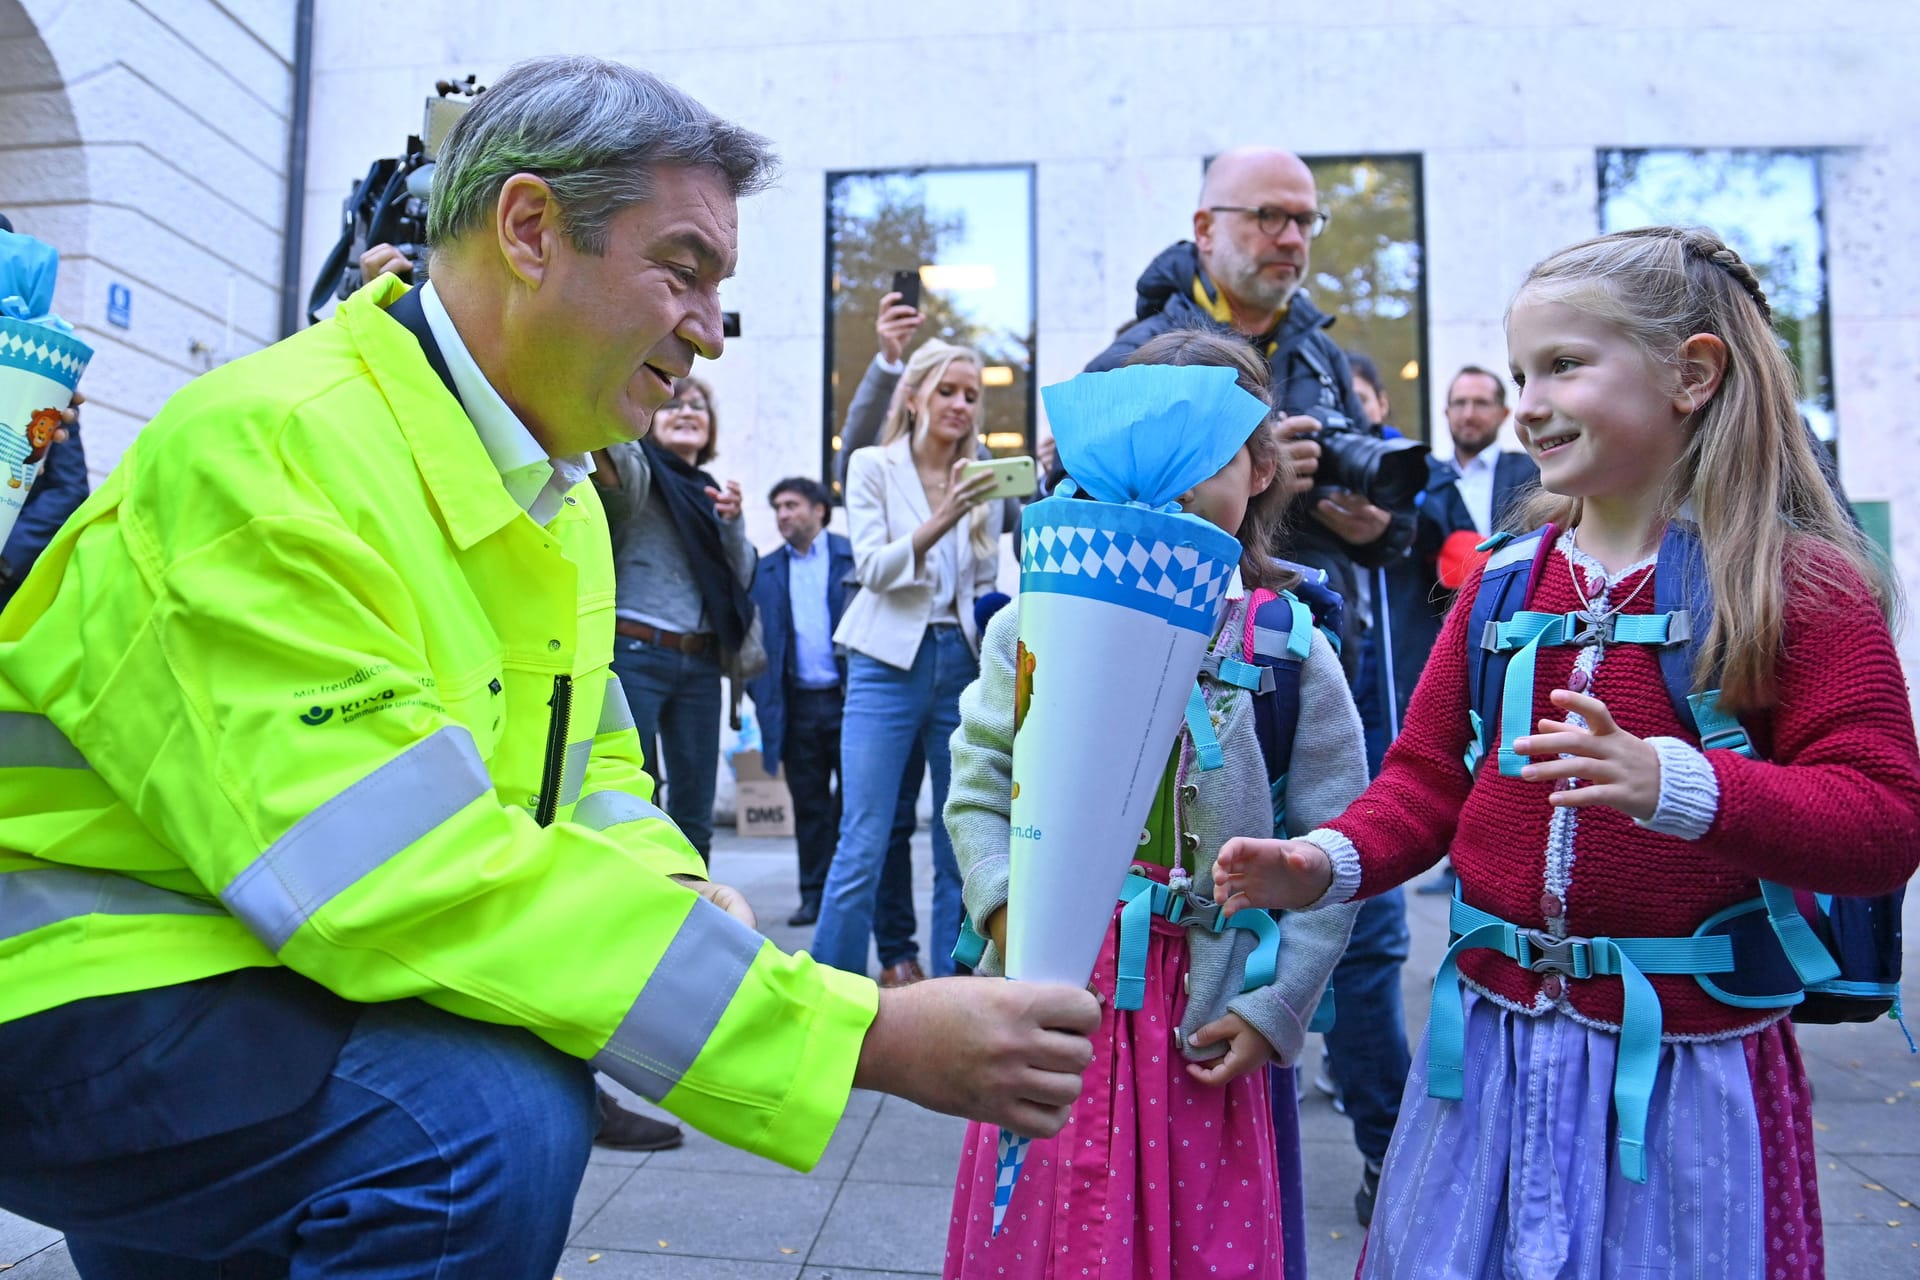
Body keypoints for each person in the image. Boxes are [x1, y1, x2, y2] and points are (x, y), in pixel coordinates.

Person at [0, 56, 1100, 1277]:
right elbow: (399, 876)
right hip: (74, 978)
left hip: (228, 956)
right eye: (681, 270)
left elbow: (593, 769)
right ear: (528, 227)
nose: (707, 333)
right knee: (481, 1120)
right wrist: (856, 1038)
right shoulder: (273, 449)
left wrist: (682, 888)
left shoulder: (554, 489)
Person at [1215, 225, 1920, 1279]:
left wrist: (1675, 783)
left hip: (1686, 1076)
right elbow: (1423, 779)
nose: (1528, 401)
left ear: (1692, 373)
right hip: (1485, 1061)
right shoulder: (1504, 582)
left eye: (1564, 366)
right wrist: (1325, 861)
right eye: (1518, 373)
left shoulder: (1799, 587)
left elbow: (1881, 820)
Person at [943, 335, 1366, 1280]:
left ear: (1261, 466)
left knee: (1201, 1237)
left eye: (1197, 447)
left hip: (1207, 1012)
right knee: (1045, 1231)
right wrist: (1013, 914)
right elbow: (977, 783)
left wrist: (1277, 1006)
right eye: (1134, 442)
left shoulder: (1289, 649)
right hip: (1059, 992)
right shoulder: (1030, 625)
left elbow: (1340, 846)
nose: (1162, 477)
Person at [1085, 149, 1418, 1223]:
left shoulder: (1322, 356)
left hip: (1291, 645)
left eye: (1307, 221)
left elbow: (1399, 524)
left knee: (1365, 927)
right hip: (1148, 696)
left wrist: (1378, 524)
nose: (1293, 239)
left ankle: (1384, 1144)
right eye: (1271, 217)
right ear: (1207, 223)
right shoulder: (1135, 356)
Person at [810, 340, 1004, 983]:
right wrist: (946, 515)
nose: (960, 404)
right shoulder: (871, 465)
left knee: (963, 843)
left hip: (960, 663)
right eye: (947, 390)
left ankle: (957, 993)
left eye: (972, 395)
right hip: (884, 662)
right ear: (914, 397)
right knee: (863, 838)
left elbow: (980, 586)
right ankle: (825, 991)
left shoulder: (985, 477)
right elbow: (872, 568)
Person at [745, 476, 921, 942]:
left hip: (853, 699)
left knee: (859, 806)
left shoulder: (852, 557)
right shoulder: (766, 571)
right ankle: (813, 895)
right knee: (810, 806)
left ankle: (861, 901)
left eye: (792, 505)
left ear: (821, 510)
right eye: (777, 507)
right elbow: (760, 641)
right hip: (797, 704)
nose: (783, 514)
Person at [593, 373, 754, 864]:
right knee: (632, 797)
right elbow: (609, 469)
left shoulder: (710, 492)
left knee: (694, 807)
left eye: (698, 406)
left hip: (702, 663)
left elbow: (742, 577)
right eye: (673, 404)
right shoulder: (638, 470)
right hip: (635, 654)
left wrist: (732, 523)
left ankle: (699, 909)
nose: (687, 411)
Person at [1408, 365, 1540, 897]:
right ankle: (1456, 858)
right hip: (1447, 632)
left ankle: (1507, 852)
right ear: (1446, 413)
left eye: (1480, 403)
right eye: (1458, 403)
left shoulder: (1528, 469)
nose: (1468, 413)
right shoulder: (1423, 480)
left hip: (1523, 627)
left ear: (1504, 413)